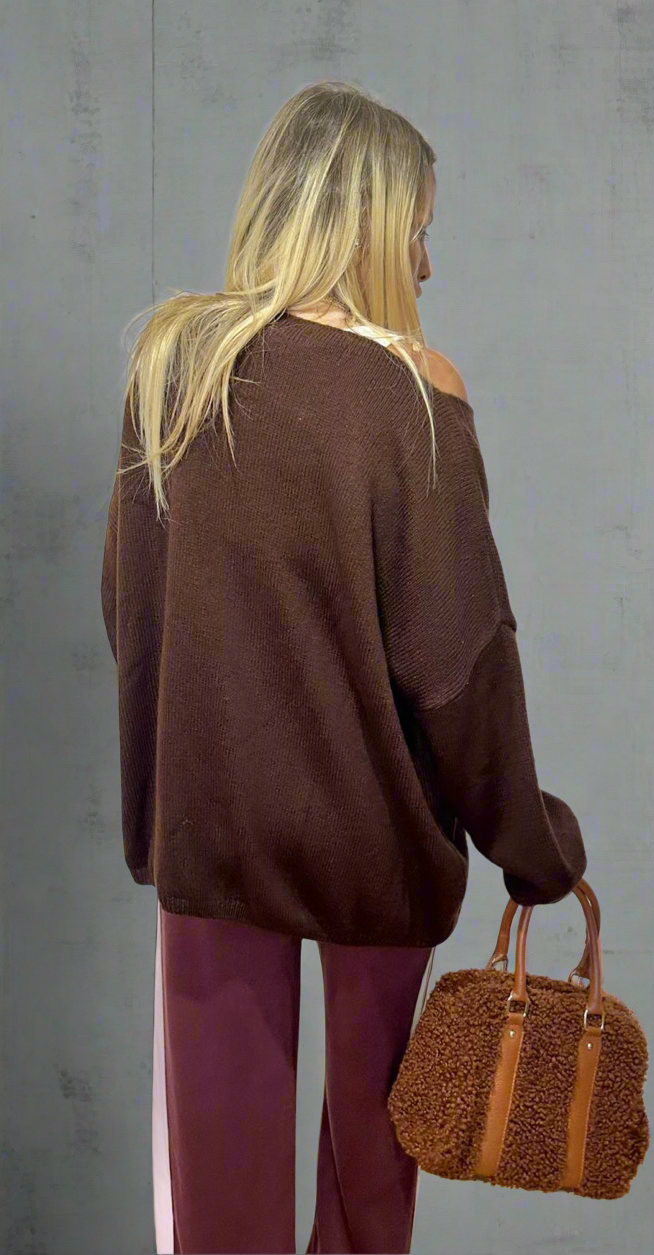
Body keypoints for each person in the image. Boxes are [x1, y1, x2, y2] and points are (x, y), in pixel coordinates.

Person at [101, 79, 587, 1255]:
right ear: (367, 225)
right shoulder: (412, 393)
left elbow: (135, 616)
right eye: (416, 229)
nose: (425, 262)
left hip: (216, 836)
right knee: (374, 1176)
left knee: (216, 1186)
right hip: (378, 843)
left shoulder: (175, 371)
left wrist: (168, 810)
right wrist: (530, 843)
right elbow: (459, 665)